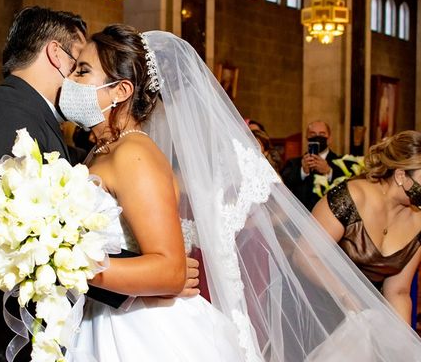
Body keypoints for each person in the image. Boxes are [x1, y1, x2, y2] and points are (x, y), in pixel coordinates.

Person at [60, 26, 421, 361]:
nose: (69, 80)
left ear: (120, 91)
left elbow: (169, 270)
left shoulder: (133, 154)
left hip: (138, 326)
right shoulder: (104, 149)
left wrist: (63, 264)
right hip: (110, 310)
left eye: (82, 71)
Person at [0, 7, 198, 362]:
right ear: (57, 54)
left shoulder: (82, 138)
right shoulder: (5, 111)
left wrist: (156, 272)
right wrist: (142, 277)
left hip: (53, 329)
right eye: (77, 66)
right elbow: (27, 231)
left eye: (84, 71)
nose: (74, 80)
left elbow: (56, 234)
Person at [311, 130, 421, 323]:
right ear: (401, 175)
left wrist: (403, 343)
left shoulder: (418, 221)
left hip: (364, 315)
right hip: (317, 304)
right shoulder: (352, 197)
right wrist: (346, 296)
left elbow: (398, 291)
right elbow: (306, 255)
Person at [281, 120, 346, 211]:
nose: (317, 137)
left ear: (330, 138)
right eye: (313, 134)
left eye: (322, 134)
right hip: (302, 216)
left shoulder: (342, 163)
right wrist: (303, 172)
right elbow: (283, 186)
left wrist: (329, 171)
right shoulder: (293, 163)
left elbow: (348, 186)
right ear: (307, 138)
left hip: (330, 215)